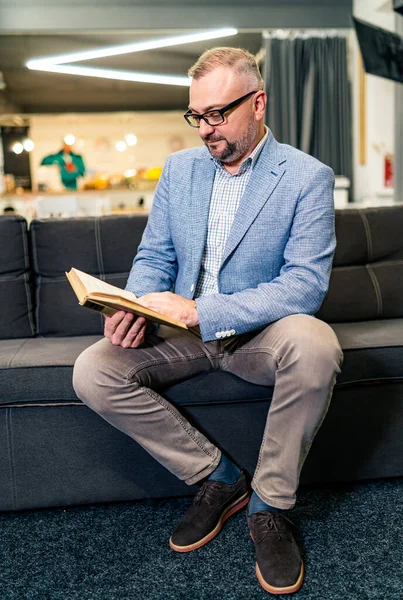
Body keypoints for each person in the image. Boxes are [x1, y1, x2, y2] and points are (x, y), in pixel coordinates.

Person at [73, 47, 343, 595]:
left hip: (258, 333)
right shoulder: (180, 169)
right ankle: (217, 479)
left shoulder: (307, 177)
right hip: (181, 333)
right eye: (196, 115)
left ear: (258, 103)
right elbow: (155, 257)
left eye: (217, 114)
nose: (204, 128)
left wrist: (203, 309)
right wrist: (138, 307)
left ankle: (270, 506)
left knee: (316, 345)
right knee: (92, 370)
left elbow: (304, 286)